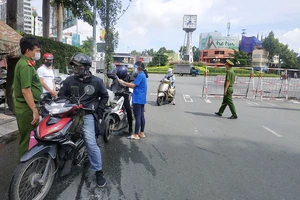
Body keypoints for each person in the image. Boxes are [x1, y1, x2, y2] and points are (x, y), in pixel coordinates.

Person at [58, 53, 109, 187]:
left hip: (86, 115)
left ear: (86, 67)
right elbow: (61, 96)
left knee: (91, 143)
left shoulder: (97, 82)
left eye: (77, 66)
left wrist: (99, 110)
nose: (74, 68)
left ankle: (99, 171)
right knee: (56, 135)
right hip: (69, 114)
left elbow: (104, 96)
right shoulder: (69, 80)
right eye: (73, 66)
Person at [13, 36, 43, 159]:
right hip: (27, 108)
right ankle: (23, 171)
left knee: (29, 137)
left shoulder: (27, 63)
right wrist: (35, 111)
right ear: (27, 50)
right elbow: (26, 90)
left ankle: (28, 165)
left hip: (26, 106)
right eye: (36, 50)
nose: (38, 53)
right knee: (27, 139)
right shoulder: (25, 65)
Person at [118, 61, 147, 140]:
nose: (134, 68)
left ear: (138, 67)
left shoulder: (140, 75)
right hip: (142, 98)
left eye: (135, 67)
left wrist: (123, 82)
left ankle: (136, 134)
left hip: (138, 98)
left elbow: (133, 85)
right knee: (141, 116)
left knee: (138, 117)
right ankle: (142, 132)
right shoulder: (143, 75)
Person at [107, 65, 134, 135]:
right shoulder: (116, 75)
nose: (120, 77)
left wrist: (129, 84)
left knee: (128, 110)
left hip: (124, 95)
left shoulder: (128, 76)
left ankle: (130, 129)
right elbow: (109, 74)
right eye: (119, 75)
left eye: (122, 75)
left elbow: (133, 82)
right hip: (115, 94)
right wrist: (115, 76)